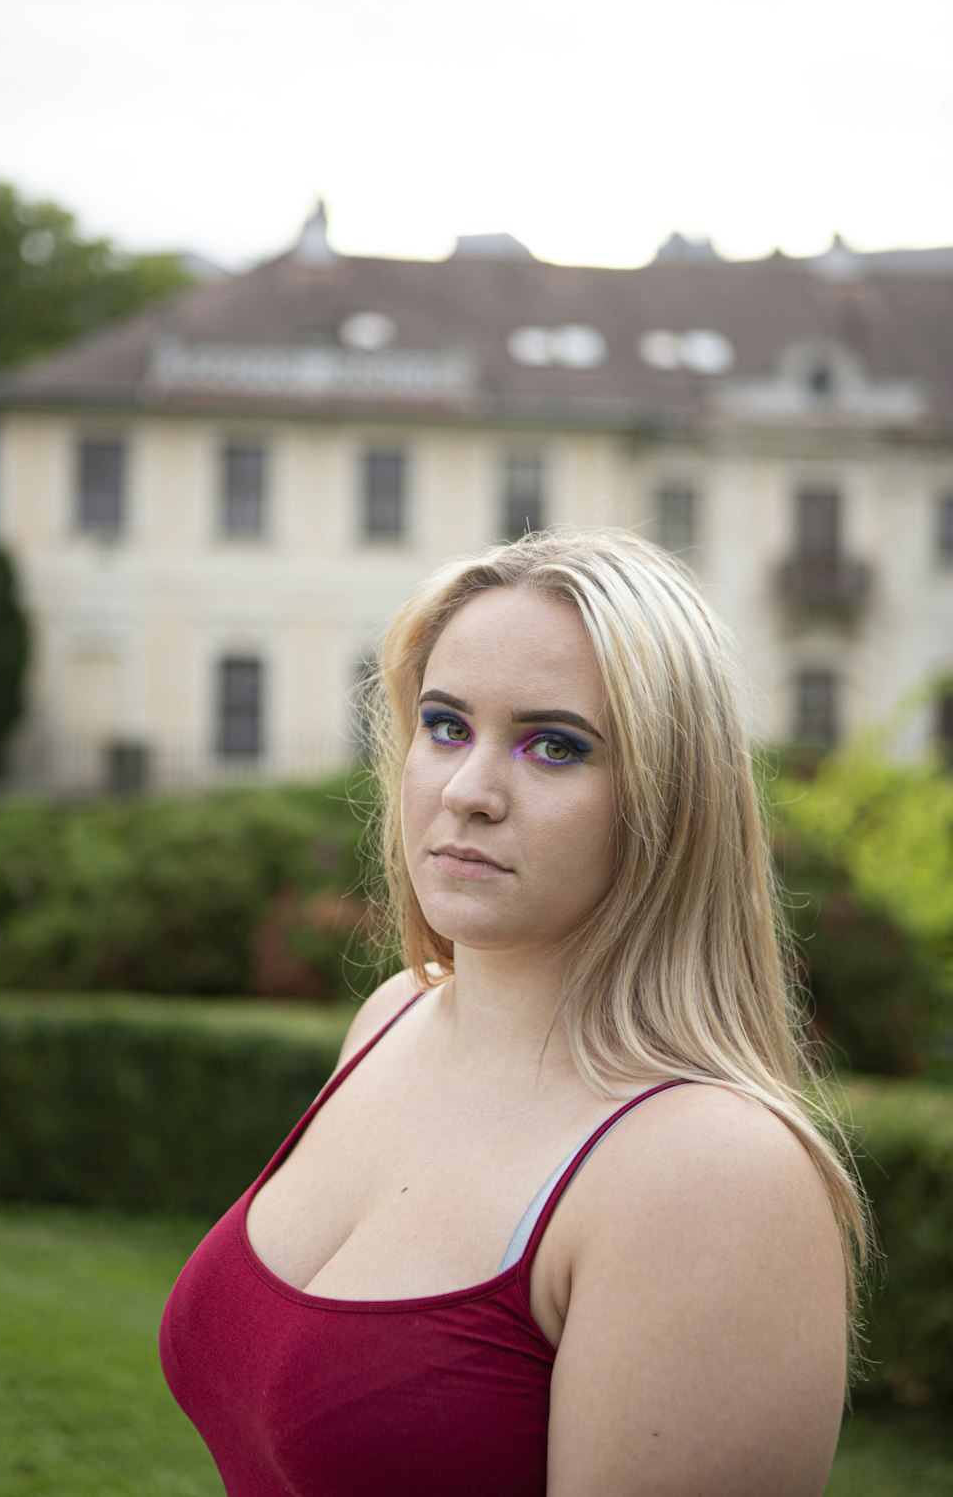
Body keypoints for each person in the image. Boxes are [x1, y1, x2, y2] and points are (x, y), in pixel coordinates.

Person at [160, 528, 869, 1497]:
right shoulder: (391, 1020)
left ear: (669, 801)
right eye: (446, 726)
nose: (467, 792)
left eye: (554, 746)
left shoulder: (714, 1176)